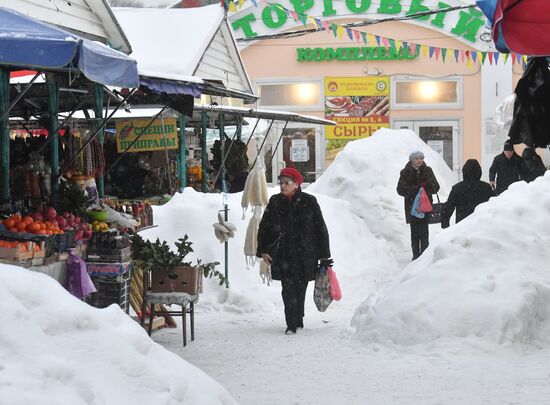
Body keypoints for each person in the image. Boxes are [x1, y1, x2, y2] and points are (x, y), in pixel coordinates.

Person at [257, 167, 331, 335]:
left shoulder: (309, 201)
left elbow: (321, 228)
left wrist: (324, 255)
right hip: (283, 254)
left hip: (306, 254)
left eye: (286, 183)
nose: (282, 186)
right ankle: (291, 323)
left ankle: (298, 317)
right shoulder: (275, 201)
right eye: (280, 183)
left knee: (301, 287)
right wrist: (263, 250)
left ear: (296, 184)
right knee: (288, 288)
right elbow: (264, 228)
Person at [397, 151, 440, 260]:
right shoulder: (405, 172)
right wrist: (414, 189)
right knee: (414, 232)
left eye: (421, 158)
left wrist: (426, 187)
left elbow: (436, 187)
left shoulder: (428, 171)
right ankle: (416, 255)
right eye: (416, 158)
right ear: (411, 160)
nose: (419, 160)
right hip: (412, 207)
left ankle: (424, 256)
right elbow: (400, 190)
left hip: (425, 206)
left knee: (424, 231)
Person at [441, 159, 495, 229]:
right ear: (479, 172)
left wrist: (445, 226)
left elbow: (448, 207)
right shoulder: (486, 187)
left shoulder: (457, 188)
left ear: (464, 172)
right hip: (481, 226)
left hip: (462, 226)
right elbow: (495, 206)